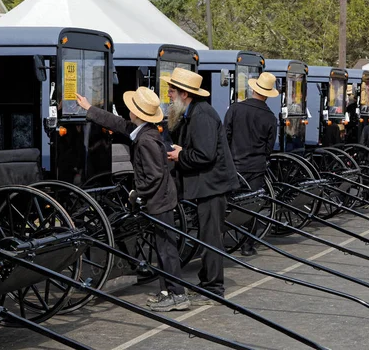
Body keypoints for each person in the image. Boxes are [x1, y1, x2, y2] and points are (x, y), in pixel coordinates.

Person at [75, 87, 189, 311]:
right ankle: (168, 291)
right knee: (162, 247)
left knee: (166, 249)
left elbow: (154, 176)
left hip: (160, 200)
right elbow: (117, 123)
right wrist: (90, 108)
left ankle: (178, 294)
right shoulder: (144, 131)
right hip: (162, 198)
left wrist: (137, 193)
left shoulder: (146, 140)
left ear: (137, 114)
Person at [164, 68, 240, 304]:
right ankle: (207, 280)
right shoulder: (192, 112)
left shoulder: (202, 115)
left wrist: (181, 155)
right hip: (207, 185)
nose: (168, 94)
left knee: (211, 238)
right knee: (208, 235)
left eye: (172, 90)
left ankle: (214, 287)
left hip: (212, 185)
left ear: (185, 94)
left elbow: (204, 155)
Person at [224, 72, 279, 256]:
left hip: (235, 164)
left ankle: (225, 237)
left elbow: (226, 137)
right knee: (253, 204)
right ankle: (247, 245)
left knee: (230, 202)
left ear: (253, 89)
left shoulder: (235, 109)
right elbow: (268, 148)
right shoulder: (270, 117)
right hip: (256, 166)